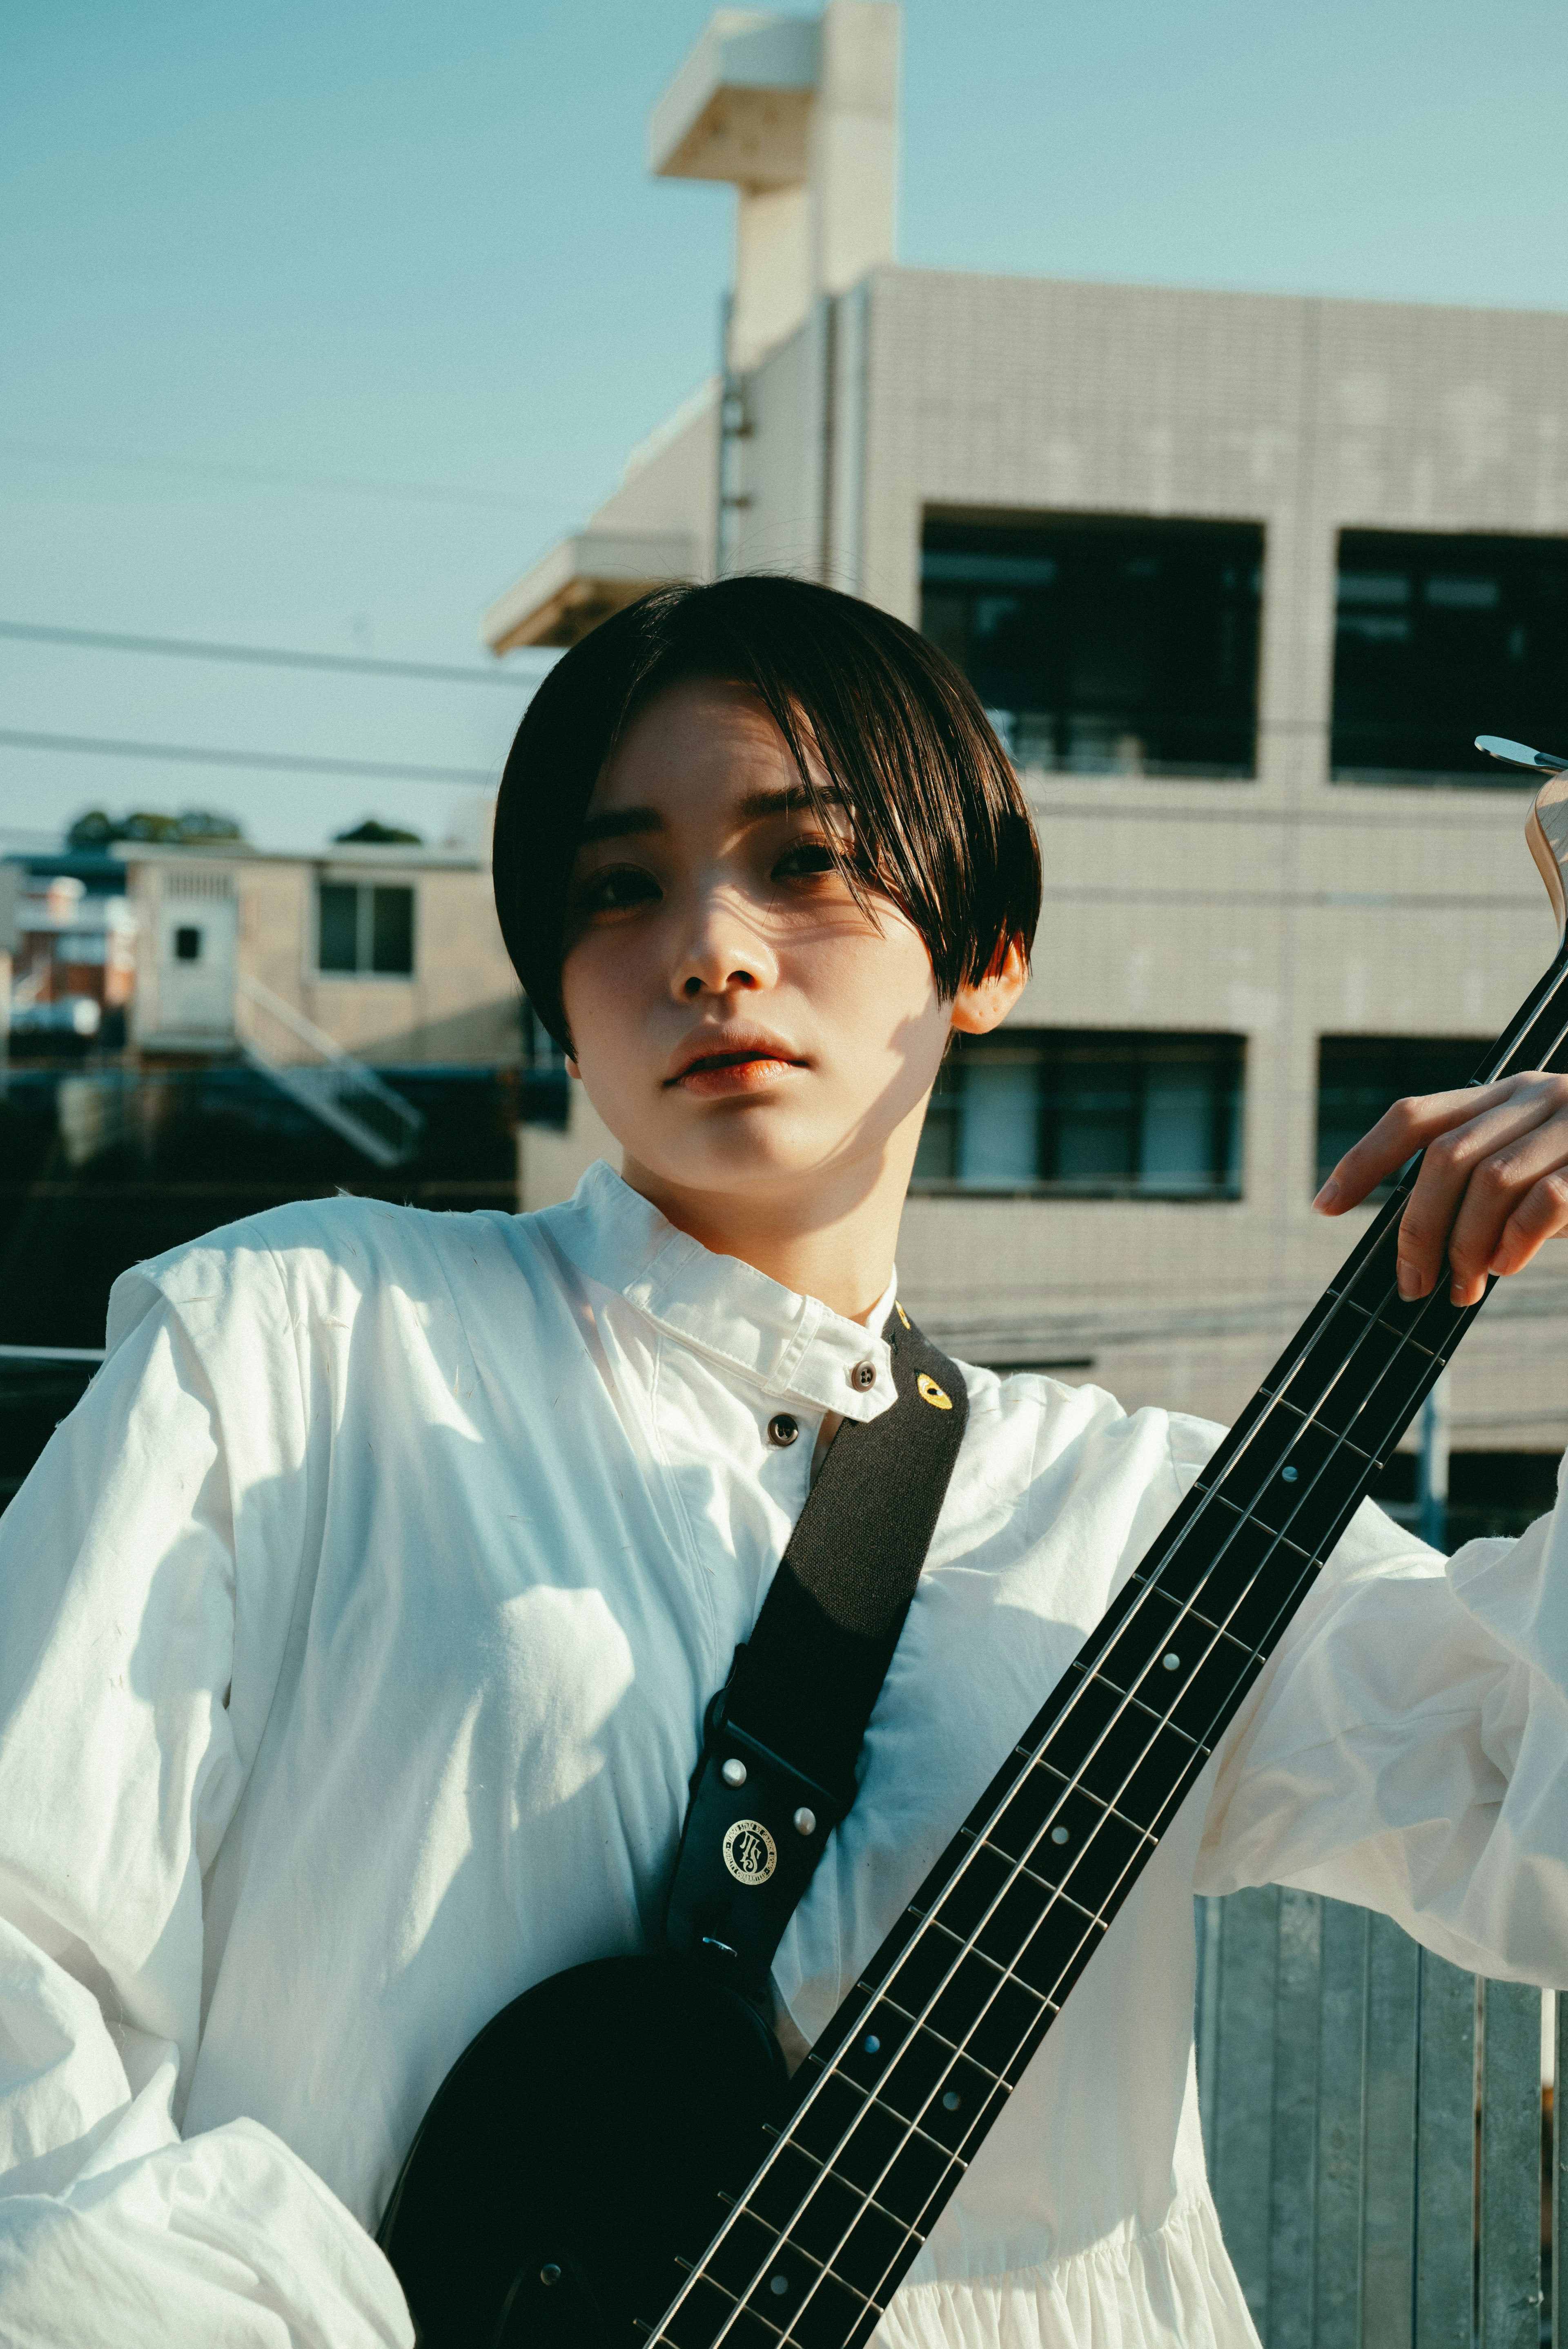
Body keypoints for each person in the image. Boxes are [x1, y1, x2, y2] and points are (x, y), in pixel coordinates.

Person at [2, 574, 1568, 2349]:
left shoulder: (1146, 1516)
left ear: (985, 952)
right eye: (618, 886)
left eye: (807, 861)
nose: (710, 946)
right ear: (556, 998)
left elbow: (1544, 1835)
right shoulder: (293, 1342)